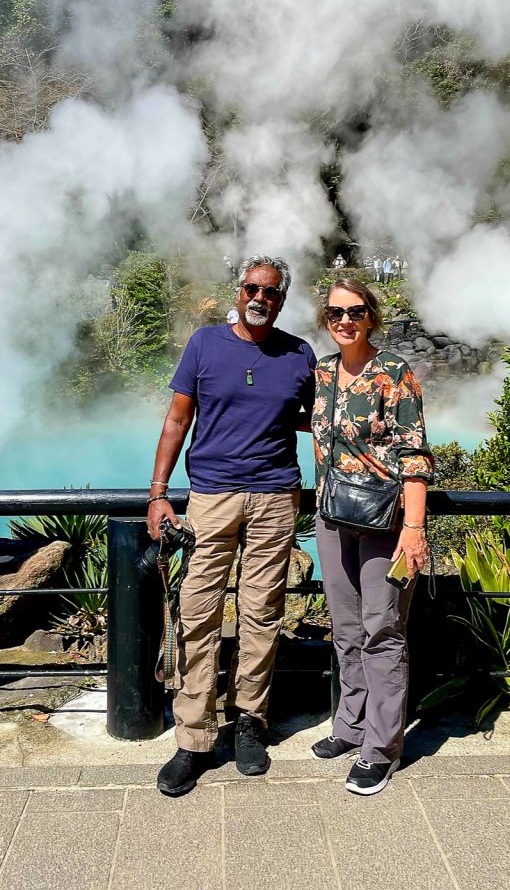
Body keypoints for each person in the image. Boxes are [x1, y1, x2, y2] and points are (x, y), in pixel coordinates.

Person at [148, 255, 316, 797]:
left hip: (275, 496)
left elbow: (318, 425)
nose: (260, 297)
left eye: (270, 290)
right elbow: (177, 419)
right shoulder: (204, 344)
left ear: (282, 298)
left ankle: (250, 722)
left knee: (262, 612)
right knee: (197, 611)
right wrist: (158, 495)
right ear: (238, 291)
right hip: (211, 498)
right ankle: (193, 737)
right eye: (251, 288)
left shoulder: (299, 354)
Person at [311, 277, 434, 796]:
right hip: (332, 516)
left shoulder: (394, 372)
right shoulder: (321, 373)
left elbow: (414, 453)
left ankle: (381, 748)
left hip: (385, 520)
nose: (345, 321)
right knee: (344, 626)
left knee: (382, 628)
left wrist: (414, 528)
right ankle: (351, 725)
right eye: (336, 313)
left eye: (355, 312)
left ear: (371, 317)